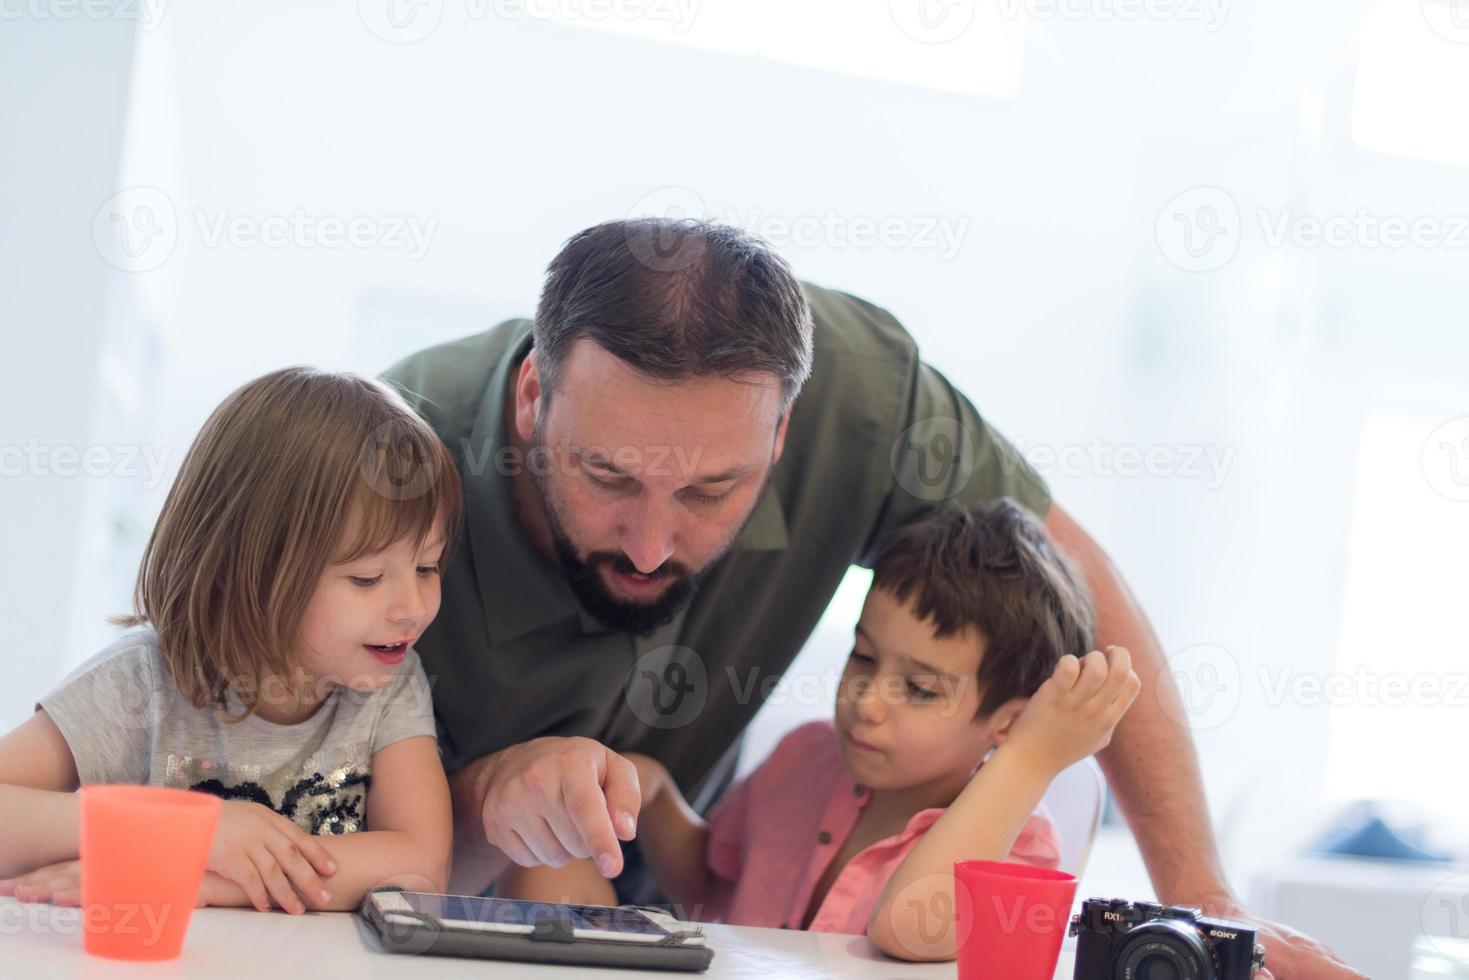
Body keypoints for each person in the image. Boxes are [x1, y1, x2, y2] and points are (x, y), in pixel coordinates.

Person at [382, 217, 1362, 978]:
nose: (650, 542)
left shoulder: (863, 397)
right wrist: (487, 797)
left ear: (782, 436)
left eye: (708, 492)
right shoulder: (379, 460)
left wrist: (1205, 909)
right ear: (529, 401)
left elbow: (1076, 601)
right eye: (605, 476)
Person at [502, 500, 1141, 961]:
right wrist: (654, 789)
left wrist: (1029, 758)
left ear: (1007, 723)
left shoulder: (1020, 851)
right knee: (544, 860)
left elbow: (909, 930)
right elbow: (709, 882)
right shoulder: (804, 757)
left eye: (919, 689)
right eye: (864, 657)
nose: (868, 700)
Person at [0, 367, 461, 915]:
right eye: (365, 578)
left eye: (428, 568)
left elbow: (420, 864)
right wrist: (184, 831)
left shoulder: (391, 685)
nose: (413, 607)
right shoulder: (144, 679)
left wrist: (207, 880)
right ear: (239, 568)